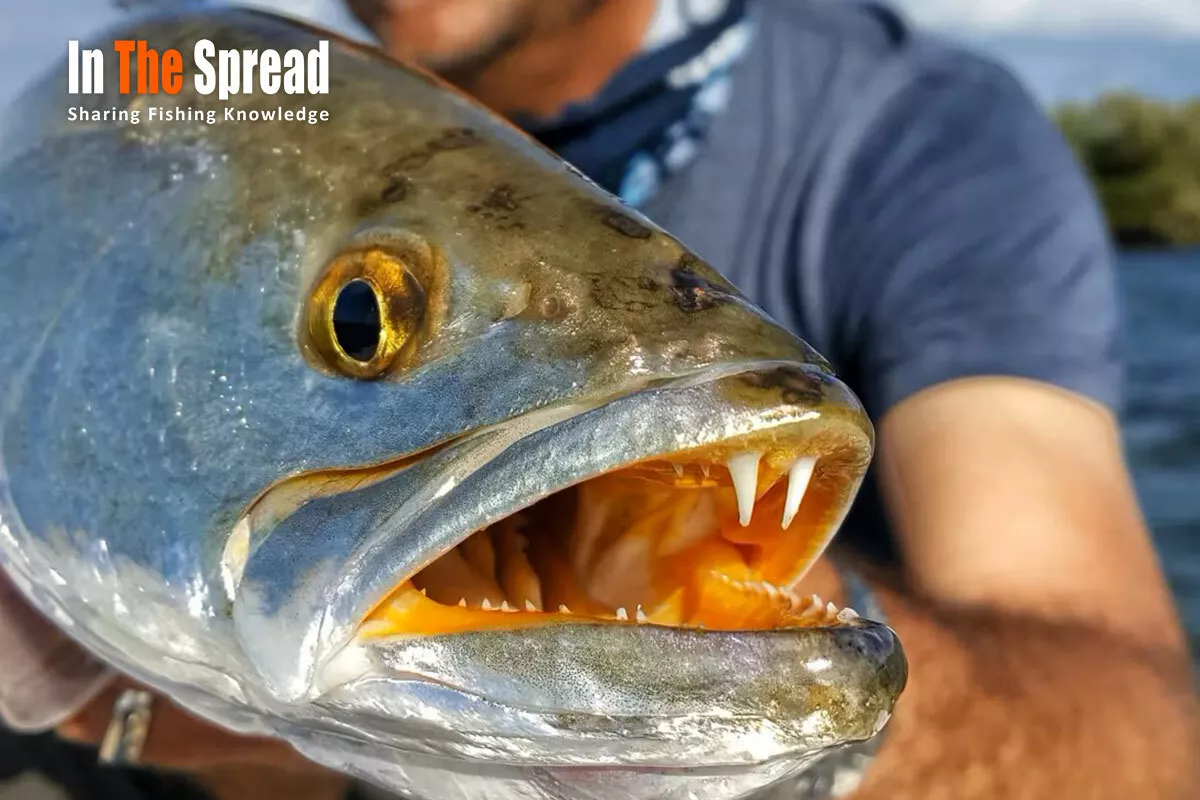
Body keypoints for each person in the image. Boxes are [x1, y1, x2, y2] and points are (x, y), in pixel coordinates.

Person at [3, 0, 1197, 798]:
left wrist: (701, 670)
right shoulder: (193, 90)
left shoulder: (917, 140)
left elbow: (1138, 743)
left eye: (363, 318)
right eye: (362, 317)